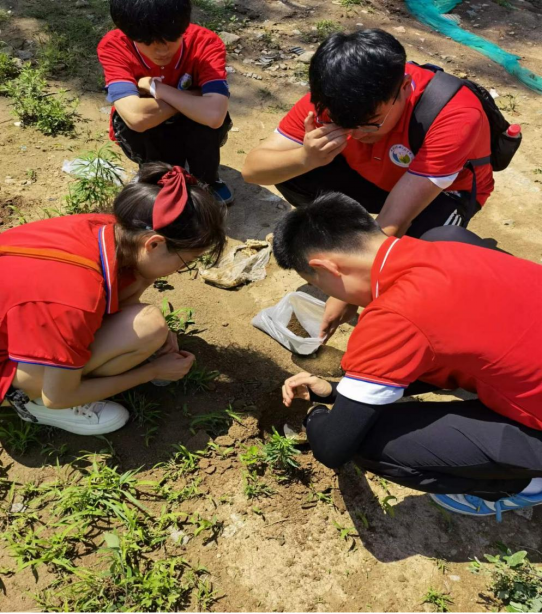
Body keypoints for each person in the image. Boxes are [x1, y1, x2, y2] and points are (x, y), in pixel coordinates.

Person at [274, 193, 542, 522]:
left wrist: (315, 416)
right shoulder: (448, 243)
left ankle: (523, 484)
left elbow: (333, 448)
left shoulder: (394, 316)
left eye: (320, 285)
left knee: (370, 443)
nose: (331, 296)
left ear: (325, 267)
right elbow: (437, 353)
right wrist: (334, 390)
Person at [243, 29, 494, 340]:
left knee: (422, 259)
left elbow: (396, 218)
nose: (356, 134)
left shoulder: (454, 115)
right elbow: (253, 170)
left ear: (403, 88)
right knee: (293, 168)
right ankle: (349, 245)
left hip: (441, 192)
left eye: (370, 123)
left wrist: (346, 294)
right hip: (378, 178)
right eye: (341, 123)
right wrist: (306, 157)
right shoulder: (330, 101)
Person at [0, 163, 226, 436]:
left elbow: (127, 281)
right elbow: (57, 395)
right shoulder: (76, 297)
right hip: (14, 368)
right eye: (185, 262)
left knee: (147, 309)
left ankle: (58, 373)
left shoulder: (109, 228)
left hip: (27, 319)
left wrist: (145, 283)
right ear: (153, 244)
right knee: (148, 327)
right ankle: (29, 401)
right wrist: (153, 371)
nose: (180, 270)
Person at [98, 0, 234, 205]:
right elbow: (136, 117)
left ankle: (207, 179)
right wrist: (192, 95)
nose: (161, 51)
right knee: (131, 124)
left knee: (209, 124)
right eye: (148, 42)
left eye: (171, 38)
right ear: (128, 32)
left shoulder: (204, 42)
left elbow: (214, 117)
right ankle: (154, 174)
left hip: (187, 122)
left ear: (184, 25)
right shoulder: (114, 45)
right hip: (153, 127)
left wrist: (156, 88)